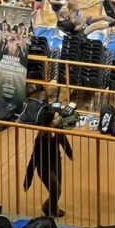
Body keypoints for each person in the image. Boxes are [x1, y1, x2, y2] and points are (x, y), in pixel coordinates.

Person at [23, 85, 73, 218]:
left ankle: (53, 208)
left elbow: (63, 140)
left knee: (57, 189)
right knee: (56, 190)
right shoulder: (41, 138)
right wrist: (28, 179)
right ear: (50, 122)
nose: (58, 118)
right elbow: (34, 158)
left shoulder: (58, 129)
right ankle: (47, 208)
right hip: (44, 167)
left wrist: (69, 153)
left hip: (56, 162)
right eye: (56, 118)